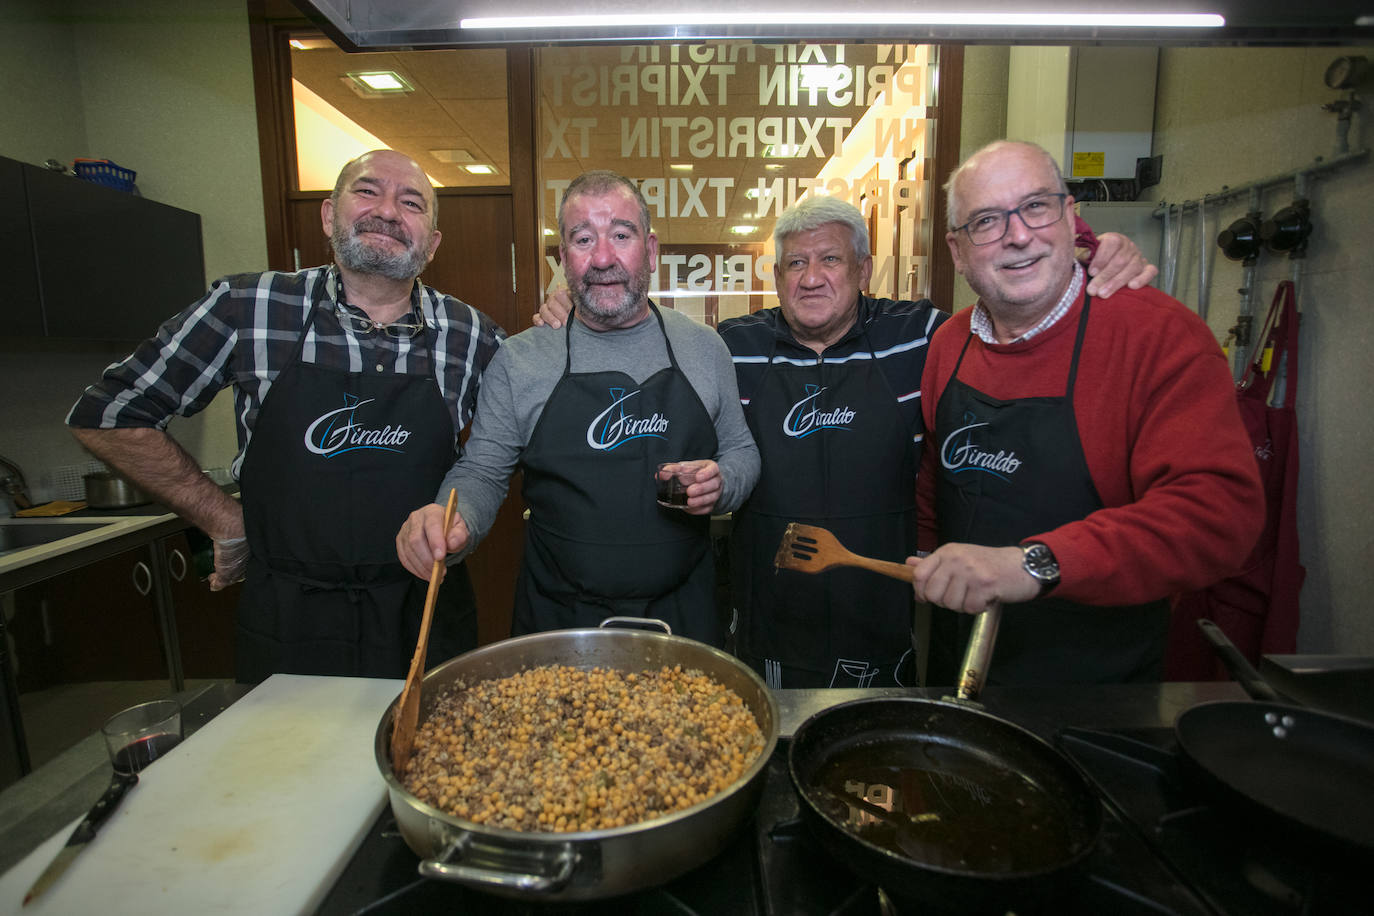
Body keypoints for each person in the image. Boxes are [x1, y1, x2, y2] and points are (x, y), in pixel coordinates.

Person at [535, 191, 1155, 688]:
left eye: (830, 259)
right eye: (795, 264)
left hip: (884, 616)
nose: (811, 278)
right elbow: (637, 329)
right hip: (766, 620)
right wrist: (575, 308)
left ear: (863, 268)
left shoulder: (924, 336)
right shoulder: (732, 347)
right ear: (775, 276)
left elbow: (1015, 304)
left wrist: (1091, 254)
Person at [67, 149, 506, 683]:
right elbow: (109, 414)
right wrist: (223, 520)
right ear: (328, 215)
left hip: (425, 611)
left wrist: (562, 322)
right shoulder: (247, 307)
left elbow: (504, 453)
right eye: (367, 191)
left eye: (411, 202)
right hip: (290, 619)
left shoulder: (474, 335)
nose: (388, 211)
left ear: (432, 243)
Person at [911, 139, 1264, 685]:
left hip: (1099, 685)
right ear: (958, 252)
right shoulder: (950, 343)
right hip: (960, 664)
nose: (1018, 235)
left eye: (1036, 206)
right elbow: (939, 477)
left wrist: (1033, 563)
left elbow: (1219, 517)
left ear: (1071, 216)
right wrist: (925, 558)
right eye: (986, 221)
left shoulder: (1157, 334)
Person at [396, 170, 759, 646]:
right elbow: (483, 471)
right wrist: (448, 519)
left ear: (649, 251)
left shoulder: (703, 348)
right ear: (564, 258)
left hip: (683, 616)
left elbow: (742, 450)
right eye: (583, 239)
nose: (603, 258)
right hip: (558, 620)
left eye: (621, 235)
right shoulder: (522, 358)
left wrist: (724, 482)